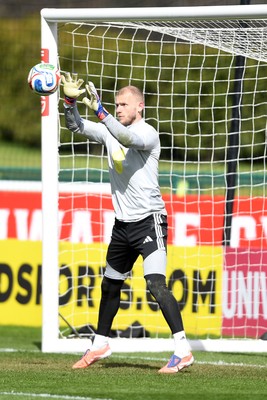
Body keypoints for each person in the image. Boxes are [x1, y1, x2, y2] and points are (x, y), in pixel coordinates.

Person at [61, 72, 194, 374]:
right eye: (116, 104)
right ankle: (100, 344)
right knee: (110, 284)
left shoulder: (148, 133)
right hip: (122, 226)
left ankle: (183, 349)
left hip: (149, 222)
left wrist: (100, 110)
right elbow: (75, 125)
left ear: (140, 107)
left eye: (124, 104)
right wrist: (69, 102)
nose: (118, 108)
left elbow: (126, 138)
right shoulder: (110, 128)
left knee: (156, 284)